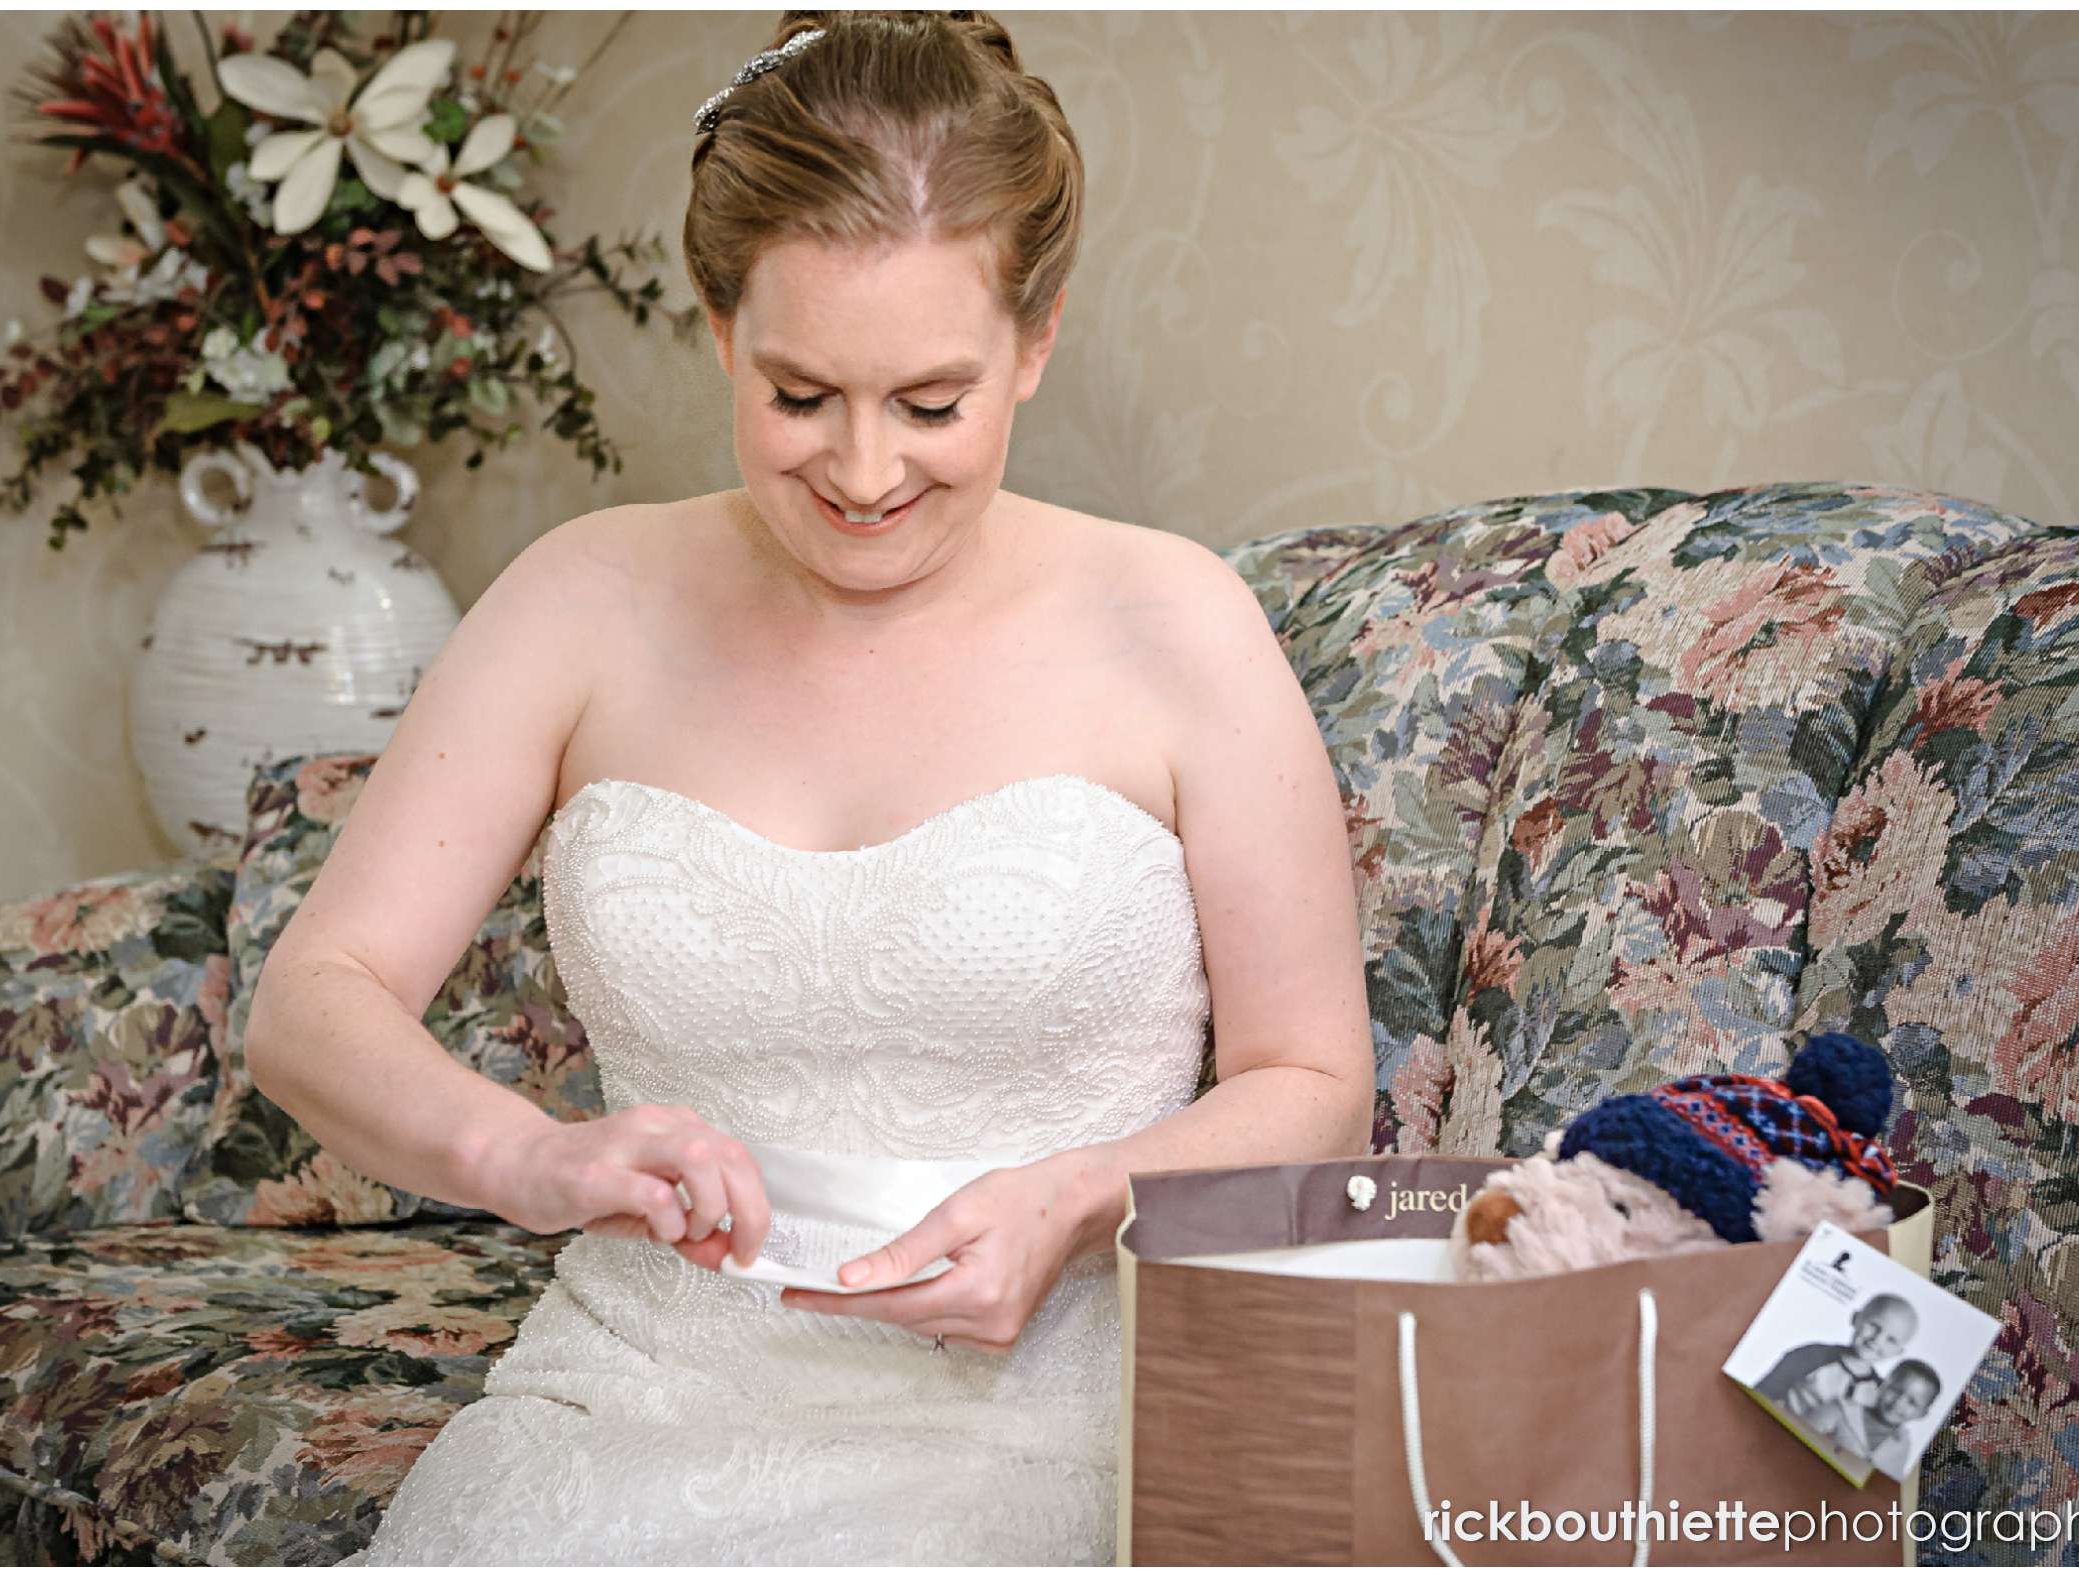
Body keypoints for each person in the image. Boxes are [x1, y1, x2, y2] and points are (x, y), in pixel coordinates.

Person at [247, 9, 1374, 1565]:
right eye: (797, 396)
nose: (860, 474)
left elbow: (1317, 1080)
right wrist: (532, 1155)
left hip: (1044, 1410)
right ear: (719, 327)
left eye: (930, 403)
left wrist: (1074, 1202)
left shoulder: (1172, 623)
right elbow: (318, 993)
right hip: (631, 1399)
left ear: (1034, 342)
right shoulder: (582, 599)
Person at [1754, 1292, 1918, 1436]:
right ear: (1855, 1319)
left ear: (1897, 1353)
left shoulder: (1879, 1391)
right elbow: (1764, 1391)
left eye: (1891, 1340)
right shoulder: (1813, 1355)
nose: (1877, 1339)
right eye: (1874, 1326)